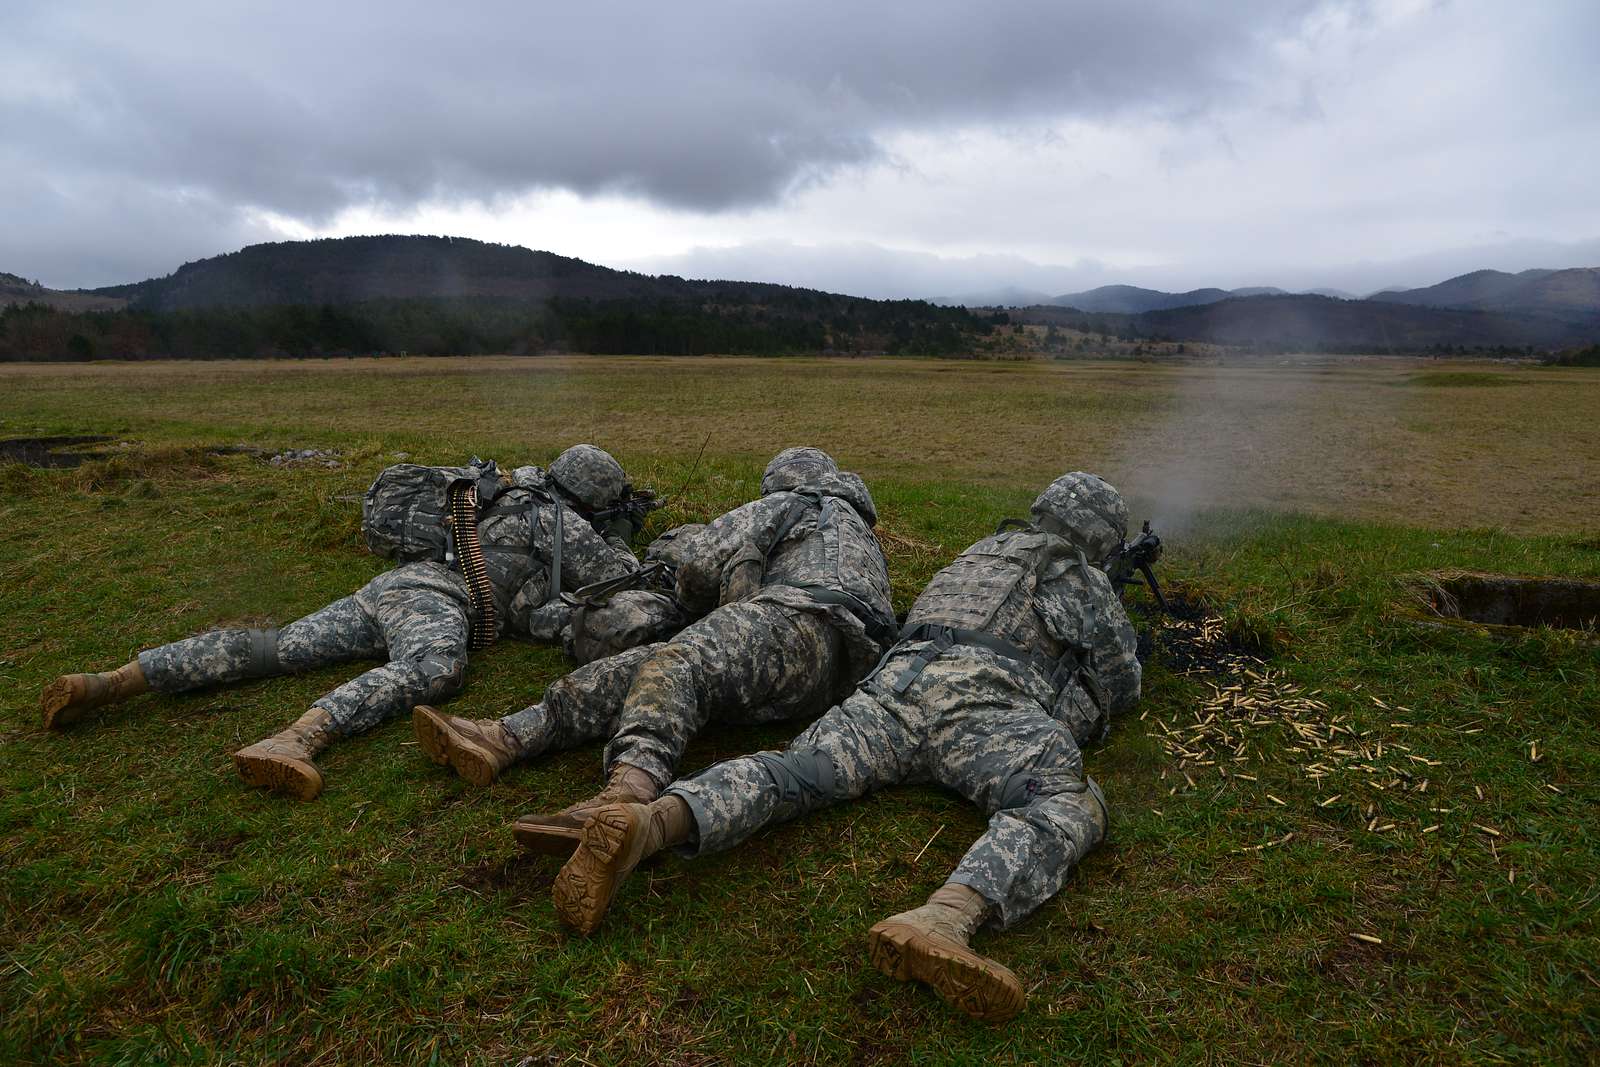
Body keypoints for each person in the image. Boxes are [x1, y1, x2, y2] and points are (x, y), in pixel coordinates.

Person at [549, 472, 1142, 1023]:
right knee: (1065, 802)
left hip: (893, 688)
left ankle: (652, 822)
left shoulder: (980, 553)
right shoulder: (1081, 579)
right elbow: (1122, 684)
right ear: (1101, 538)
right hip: (985, 707)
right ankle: (946, 917)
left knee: (789, 774)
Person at [40, 444, 645, 801]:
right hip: (435, 597)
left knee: (278, 647)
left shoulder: (499, 487)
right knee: (435, 668)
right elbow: (625, 574)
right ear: (592, 497)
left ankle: (115, 681)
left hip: (389, 586)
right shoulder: (562, 524)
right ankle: (300, 737)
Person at [412, 447, 897, 856]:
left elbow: (700, 564)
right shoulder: (859, 534)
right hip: (836, 672)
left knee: (672, 661)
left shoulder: (793, 503)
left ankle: (627, 792)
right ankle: (505, 737)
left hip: (792, 623)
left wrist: (684, 607)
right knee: (649, 669)